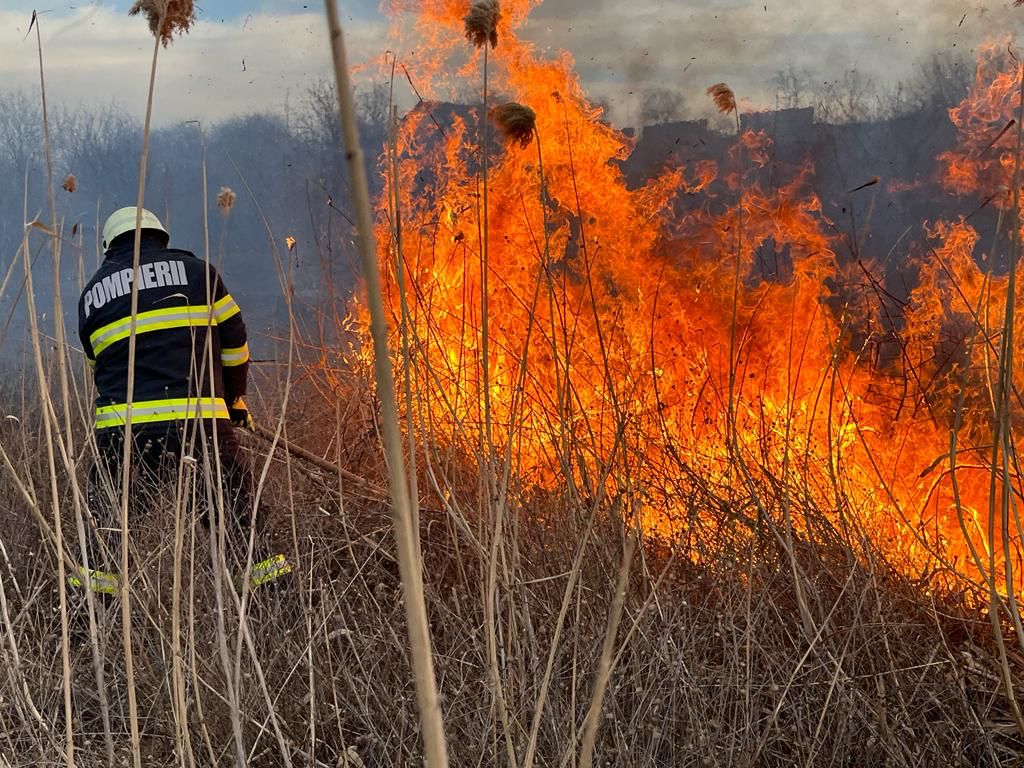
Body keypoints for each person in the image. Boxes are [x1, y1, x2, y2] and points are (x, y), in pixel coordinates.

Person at [74, 206, 290, 594]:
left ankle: (81, 628)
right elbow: (236, 344)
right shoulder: (199, 274)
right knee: (239, 526)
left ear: (108, 247)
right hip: (202, 427)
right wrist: (235, 400)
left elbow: (98, 366)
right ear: (162, 237)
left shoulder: (91, 296)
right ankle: (276, 610)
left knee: (106, 534)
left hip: (123, 437)